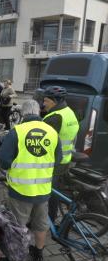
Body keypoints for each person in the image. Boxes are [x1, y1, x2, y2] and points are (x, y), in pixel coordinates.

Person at [0, 100, 62, 261]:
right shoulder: (52, 132)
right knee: (41, 224)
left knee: (18, 226)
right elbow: (59, 160)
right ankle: (38, 256)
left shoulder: (17, 132)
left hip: (20, 190)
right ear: (39, 113)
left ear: (23, 114)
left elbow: (3, 161)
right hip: (43, 190)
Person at [42, 86, 79, 223]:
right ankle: (53, 215)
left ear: (55, 101)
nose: (43, 103)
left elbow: (43, 142)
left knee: (49, 193)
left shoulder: (54, 118)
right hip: (65, 159)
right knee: (56, 190)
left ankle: (49, 220)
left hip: (54, 162)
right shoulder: (69, 112)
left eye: (46, 100)